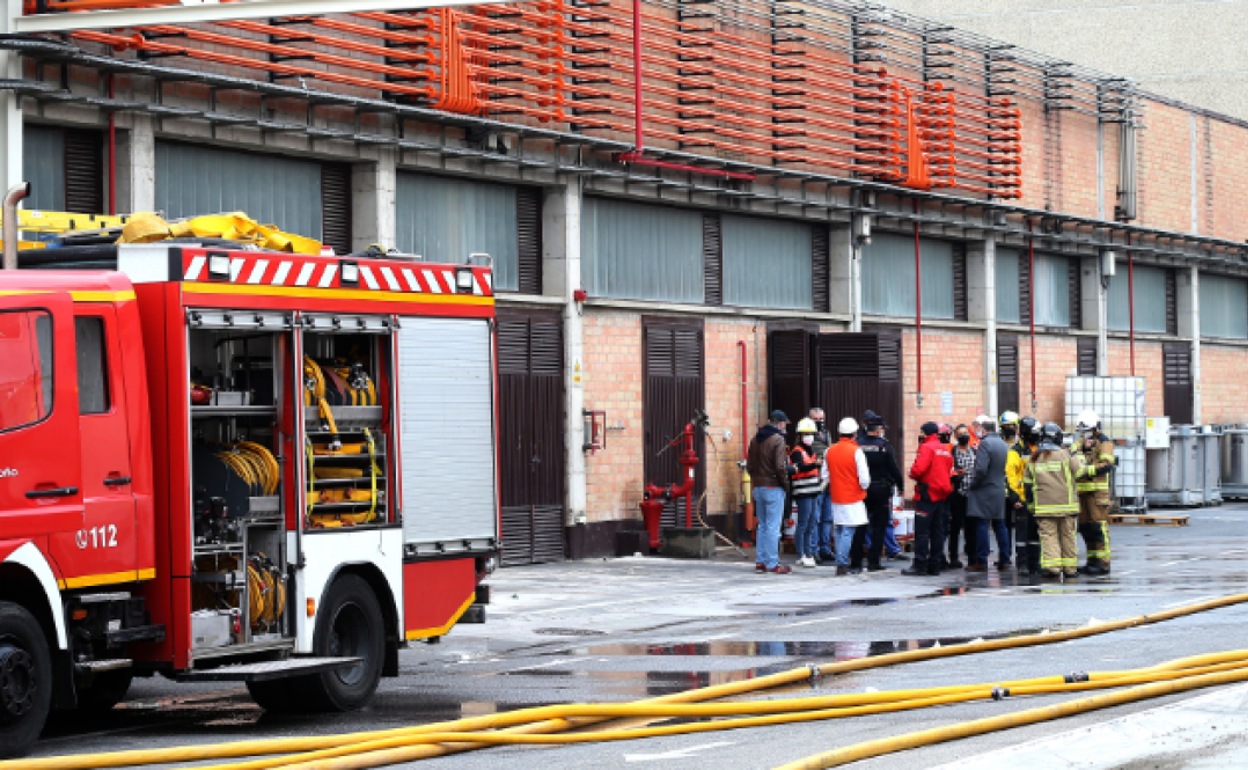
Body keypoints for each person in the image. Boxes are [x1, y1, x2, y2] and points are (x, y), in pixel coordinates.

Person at [1022, 422, 1085, 580]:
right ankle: (1071, 570)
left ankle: (1053, 569)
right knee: (1068, 537)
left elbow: (1028, 486)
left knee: (1049, 537)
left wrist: (1031, 506)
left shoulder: (1034, 458)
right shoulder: (1066, 455)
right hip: (1067, 506)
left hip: (1044, 508)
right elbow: (1080, 473)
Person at [855, 411, 905, 572]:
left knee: (860, 525)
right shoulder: (884, 445)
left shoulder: (856, 444)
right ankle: (873, 562)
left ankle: (855, 561)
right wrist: (901, 486)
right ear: (878, 430)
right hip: (881, 489)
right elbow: (894, 468)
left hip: (860, 490)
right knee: (879, 527)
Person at [903, 422, 953, 576]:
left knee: (922, 531)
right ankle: (935, 564)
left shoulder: (926, 447)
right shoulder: (944, 449)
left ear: (925, 433)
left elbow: (918, 470)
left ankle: (920, 564)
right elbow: (949, 469)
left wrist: (912, 473)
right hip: (941, 495)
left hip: (927, 493)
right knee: (937, 531)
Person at [747, 410, 792, 574]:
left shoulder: (755, 439)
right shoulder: (778, 440)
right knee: (773, 527)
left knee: (763, 526)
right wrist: (785, 484)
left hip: (758, 486)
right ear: (780, 423)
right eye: (785, 424)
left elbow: (749, 466)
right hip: (773, 486)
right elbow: (780, 467)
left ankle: (761, 561)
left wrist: (756, 479)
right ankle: (773, 563)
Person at [825, 417, 870, 576]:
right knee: (848, 531)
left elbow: (824, 476)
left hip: (836, 496)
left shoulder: (829, 450)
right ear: (855, 433)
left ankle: (841, 561)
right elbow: (864, 479)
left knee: (840, 530)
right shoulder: (856, 451)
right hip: (853, 497)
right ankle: (842, 563)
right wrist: (862, 488)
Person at [1074, 410, 1116, 576]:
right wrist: (1083, 448)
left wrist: (1086, 470)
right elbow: (1072, 452)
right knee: (1086, 528)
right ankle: (1092, 561)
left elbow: (1107, 465)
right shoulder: (1082, 441)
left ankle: (1103, 564)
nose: (1085, 434)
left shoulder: (1104, 442)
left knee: (1099, 528)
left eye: (1088, 430)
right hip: (1083, 493)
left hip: (1097, 494)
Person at [966, 414, 1010, 572]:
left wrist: (973, 484)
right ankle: (1005, 559)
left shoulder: (985, 444)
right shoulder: (1003, 444)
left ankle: (981, 560)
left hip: (984, 490)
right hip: (998, 488)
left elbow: (981, 469)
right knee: (1000, 524)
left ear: (983, 429)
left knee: (982, 524)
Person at [789, 418, 824, 568]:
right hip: (803, 492)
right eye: (806, 434)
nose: (809, 436)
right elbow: (800, 468)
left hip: (813, 491)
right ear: (800, 435)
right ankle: (802, 554)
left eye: (811, 434)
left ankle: (808, 552)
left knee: (811, 524)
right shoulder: (796, 452)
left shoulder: (812, 451)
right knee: (803, 523)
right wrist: (814, 465)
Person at [1000, 412, 1031, 572]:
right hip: (1004, 491)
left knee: (1023, 528)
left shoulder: (1022, 445)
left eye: (1012, 426)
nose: (1009, 429)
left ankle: (1025, 560)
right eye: (1006, 426)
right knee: (1004, 526)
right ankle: (1005, 557)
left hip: (1019, 492)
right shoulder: (1000, 443)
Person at [1014, 416, 1042, 575]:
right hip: (1023, 498)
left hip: (1037, 497)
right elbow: (1012, 475)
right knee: (1022, 535)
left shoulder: (1039, 449)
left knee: (1035, 533)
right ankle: (1022, 564)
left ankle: (1034, 563)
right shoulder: (1017, 450)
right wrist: (1016, 497)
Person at [807, 408, 835, 565]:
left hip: (828, 479)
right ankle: (814, 549)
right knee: (815, 517)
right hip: (816, 479)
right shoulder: (807, 435)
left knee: (827, 517)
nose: (819, 421)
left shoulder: (827, 433)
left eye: (821, 418)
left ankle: (825, 549)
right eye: (816, 419)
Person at [946, 424, 977, 569]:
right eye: (961, 434)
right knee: (955, 528)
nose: (964, 435)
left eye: (966, 432)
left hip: (972, 495)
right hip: (957, 494)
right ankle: (953, 557)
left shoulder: (974, 451)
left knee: (971, 528)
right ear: (956, 437)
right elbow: (948, 472)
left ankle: (972, 558)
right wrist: (957, 474)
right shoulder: (952, 452)